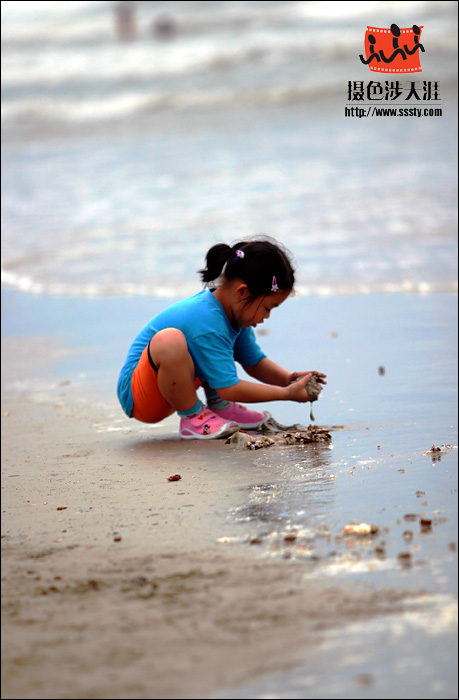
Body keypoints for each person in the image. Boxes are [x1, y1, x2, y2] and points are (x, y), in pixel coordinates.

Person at [117, 237, 327, 440]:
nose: (267, 317)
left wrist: (289, 379)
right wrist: (286, 394)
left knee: (214, 353)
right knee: (170, 340)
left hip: (173, 388)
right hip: (141, 396)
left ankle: (221, 407)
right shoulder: (207, 320)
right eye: (267, 308)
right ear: (242, 292)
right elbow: (229, 388)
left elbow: (254, 362)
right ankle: (193, 418)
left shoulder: (236, 314)